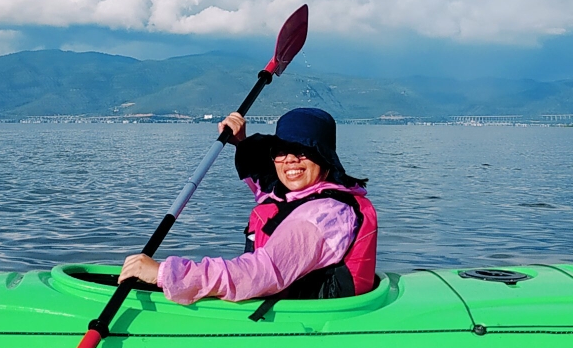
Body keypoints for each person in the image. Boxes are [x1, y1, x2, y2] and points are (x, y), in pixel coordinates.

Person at [118, 107, 378, 304]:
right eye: (281, 151)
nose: (290, 160)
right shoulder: (300, 194)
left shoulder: (320, 217)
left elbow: (263, 272)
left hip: (306, 324)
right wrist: (241, 142)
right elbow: (266, 187)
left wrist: (168, 274)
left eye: (303, 152)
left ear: (324, 158)